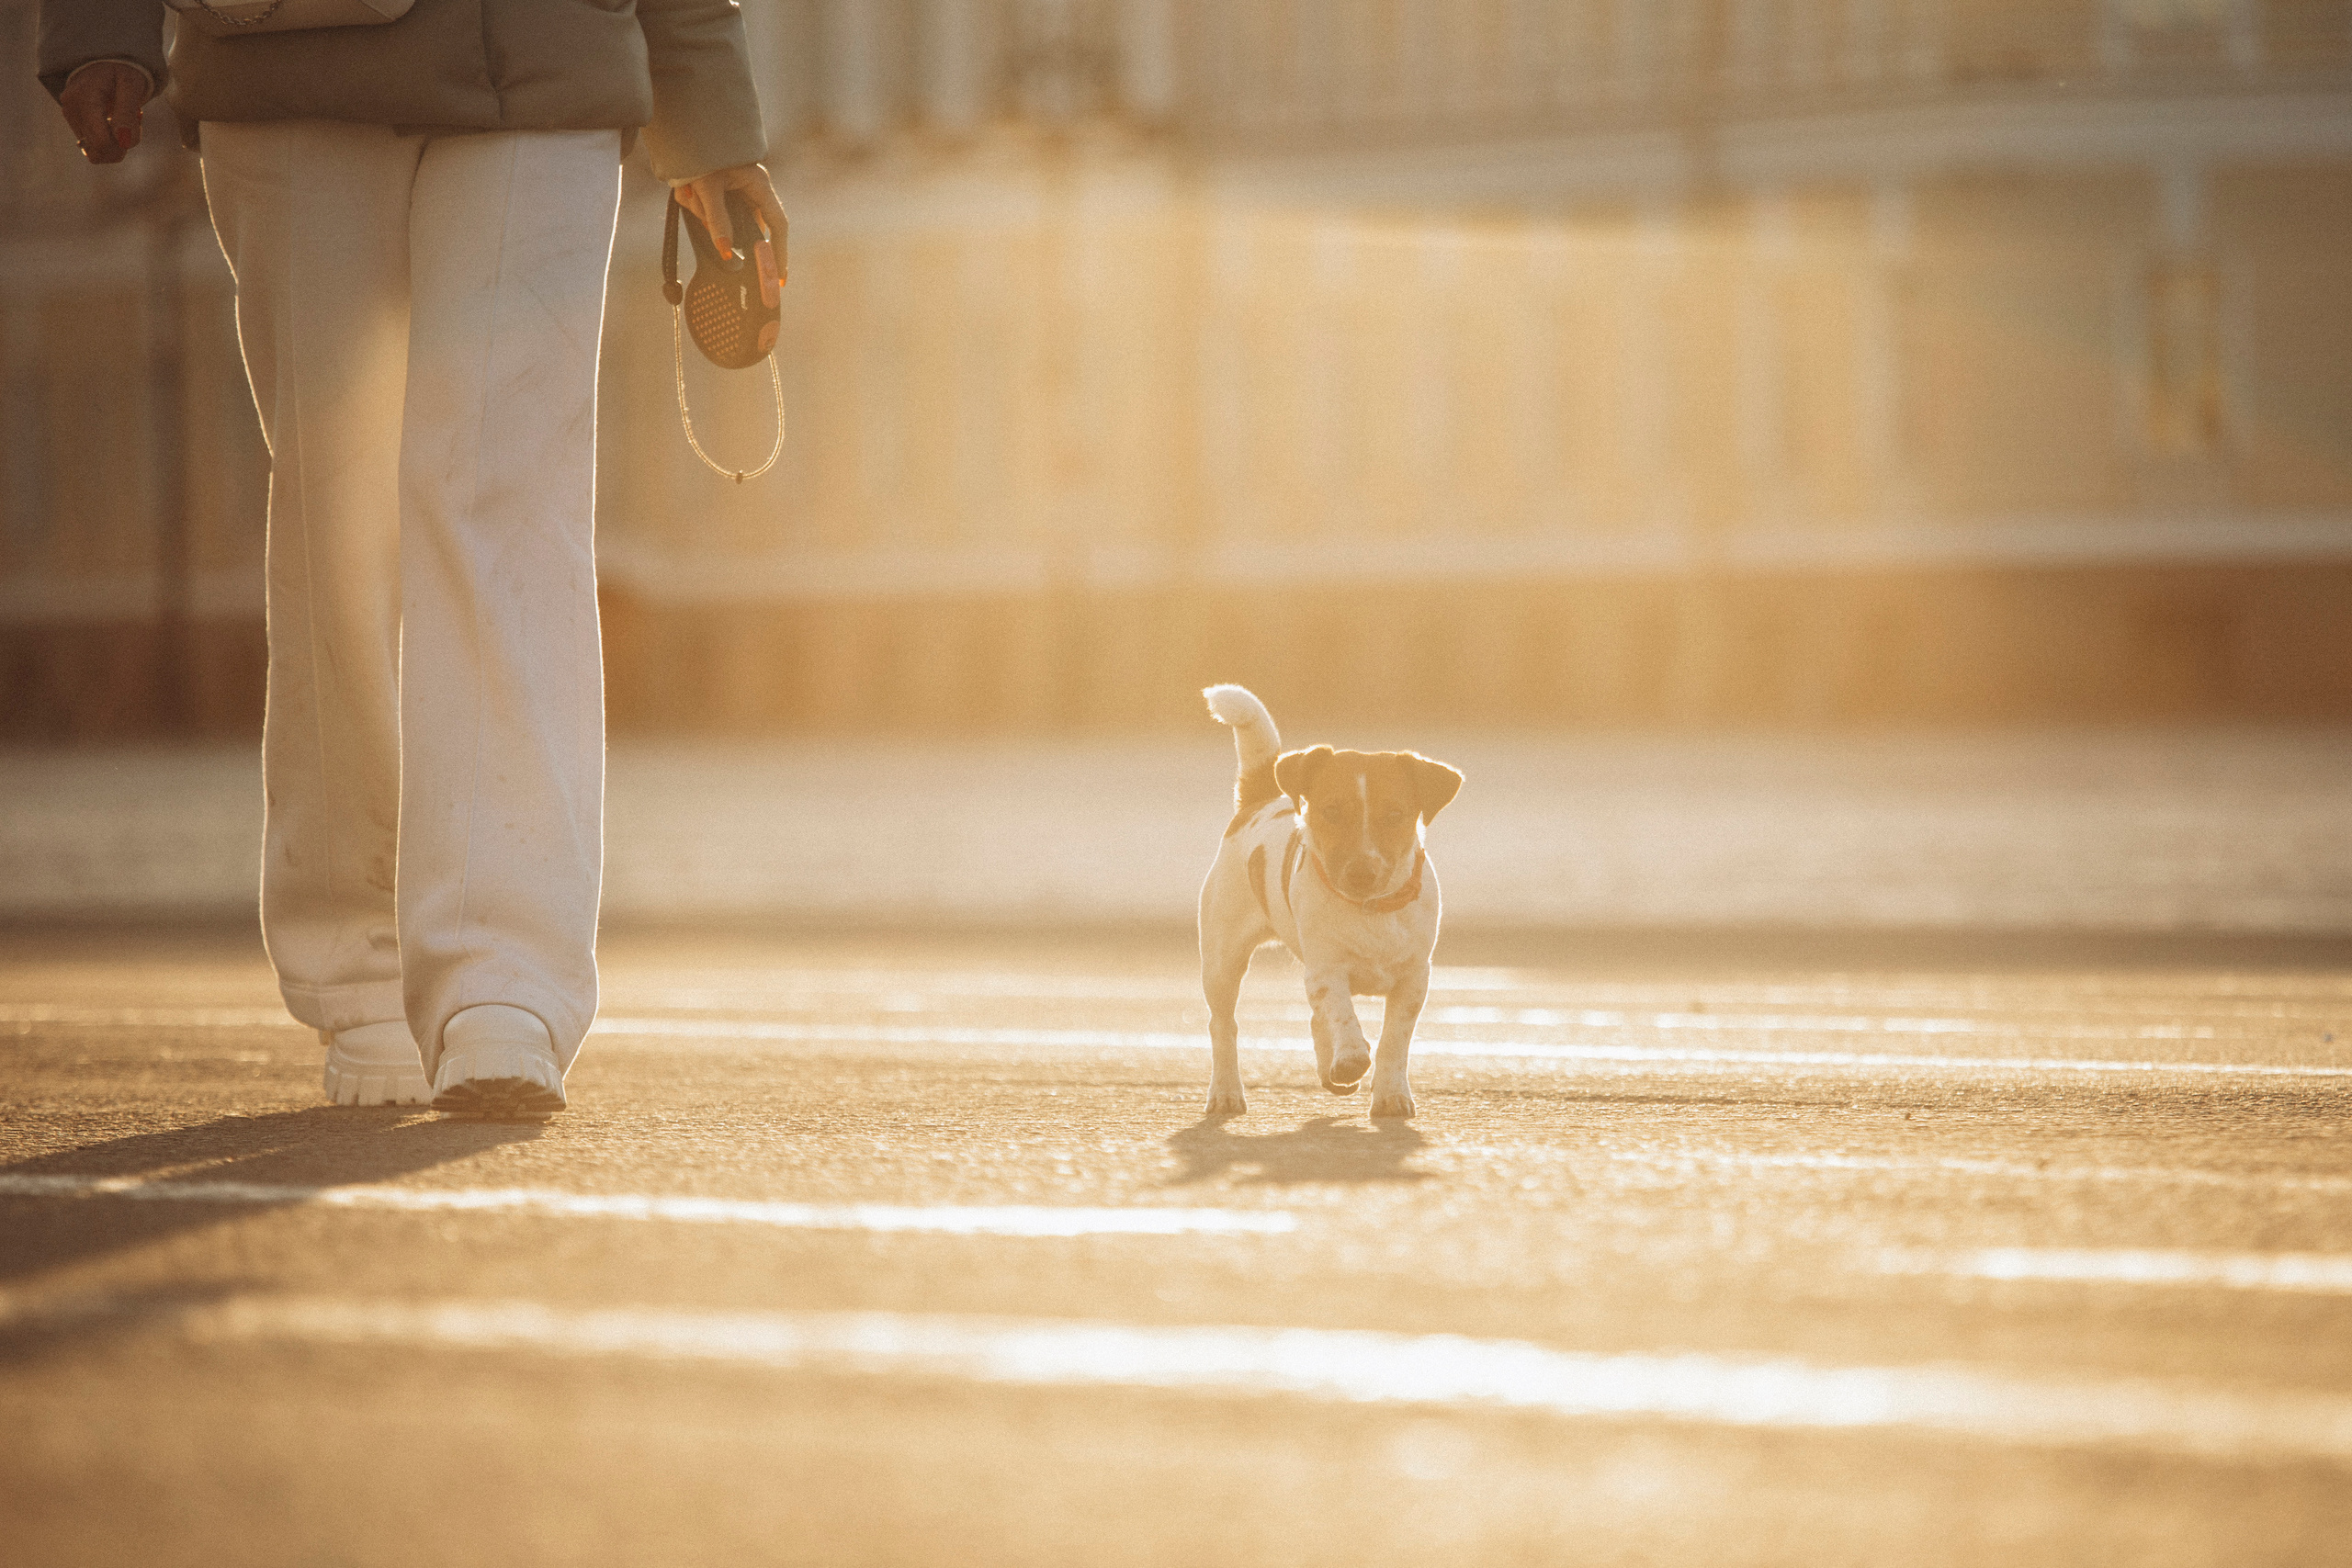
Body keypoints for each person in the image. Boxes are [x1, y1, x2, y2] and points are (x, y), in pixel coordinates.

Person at [36, 1, 786, 1120]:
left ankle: (503, 982)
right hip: (289, 61)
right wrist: (100, 25)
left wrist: (708, 105)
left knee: (507, 503)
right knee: (340, 525)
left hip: (545, 63)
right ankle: (365, 969)